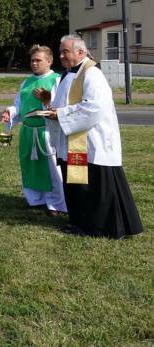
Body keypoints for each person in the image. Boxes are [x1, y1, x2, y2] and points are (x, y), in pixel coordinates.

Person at [37, 34, 143, 238]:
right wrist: (49, 106)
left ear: (81, 52)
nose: (61, 55)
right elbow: (63, 106)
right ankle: (81, 222)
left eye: (65, 51)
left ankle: (102, 226)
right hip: (74, 141)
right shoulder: (67, 75)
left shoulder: (92, 74)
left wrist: (59, 114)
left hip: (92, 142)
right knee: (77, 187)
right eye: (60, 52)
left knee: (94, 188)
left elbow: (94, 108)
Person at [1, 45, 67, 216]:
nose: (34, 63)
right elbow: (19, 105)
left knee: (52, 168)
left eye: (38, 60)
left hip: (47, 131)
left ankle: (56, 204)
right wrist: (10, 112)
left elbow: (62, 107)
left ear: (49, 61)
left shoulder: (58, 80)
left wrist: (46, 100)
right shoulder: (26, 82)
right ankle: (35, 200)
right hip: (28, 131)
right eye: (32, 60)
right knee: (30, 166)